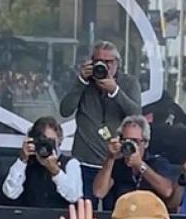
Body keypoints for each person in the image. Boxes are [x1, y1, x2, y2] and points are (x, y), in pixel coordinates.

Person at [59, 42, 143, 198]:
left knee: (113, 213)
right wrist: (81, 82)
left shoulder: (129, 83)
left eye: (108, 62)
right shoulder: (85, 82)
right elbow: (65, 110)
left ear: (117, 63)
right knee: (85, 211)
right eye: (98, 61)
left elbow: (136, 115)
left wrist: (115, 90)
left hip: (116, 163)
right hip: (84, 161)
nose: (103, 66)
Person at [92, 115, 175, 208]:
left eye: (135, 141)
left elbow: (167, 191)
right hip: (122, 217)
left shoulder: (157, 163)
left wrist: (140, 165)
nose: (130, 145)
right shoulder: (117, 165)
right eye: (125, 140)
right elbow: (99, 192)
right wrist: (110, 157)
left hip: (149, 218)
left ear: (145, 143)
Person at [2, 116, 83, 207]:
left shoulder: (70, 163)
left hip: (59, 218)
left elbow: (74, 196)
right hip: (31, 218)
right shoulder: (27, 163)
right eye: (42, 141)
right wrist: (22, 161)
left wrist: (56, 171)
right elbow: (10, 193)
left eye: (50, 141)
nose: (45, 146)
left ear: (59, 140)